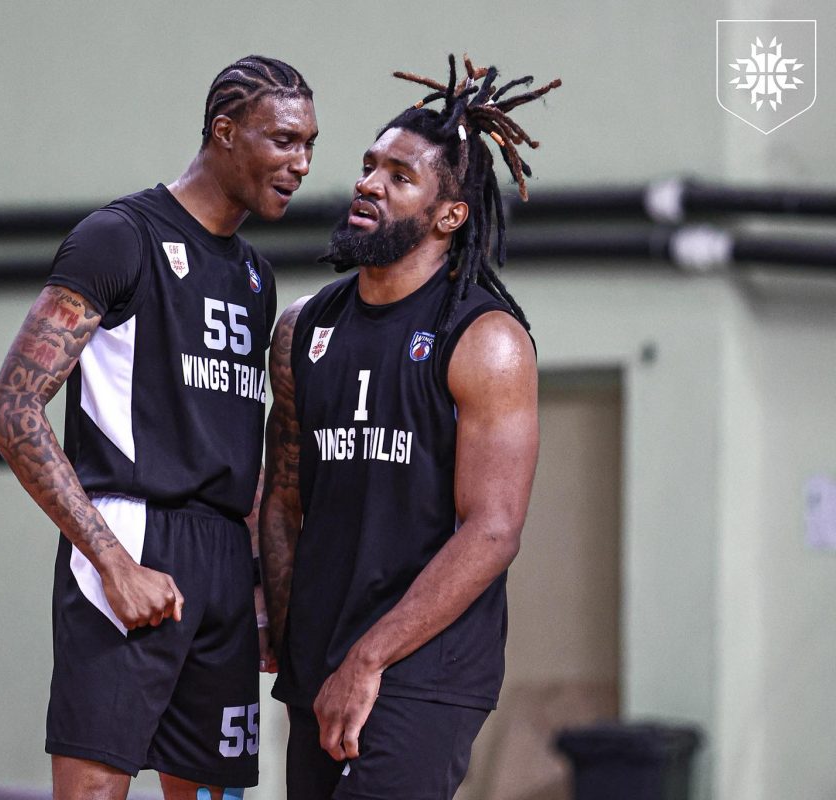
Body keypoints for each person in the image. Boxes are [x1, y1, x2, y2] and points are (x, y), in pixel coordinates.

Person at [0, 56, 317, 800]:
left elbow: (239, 444)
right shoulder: (120, 236)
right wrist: (111, 561)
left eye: (309, 145)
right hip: (131, 536)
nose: (301, 164)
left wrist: (259, 589)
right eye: (283, 141)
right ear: (224, 132)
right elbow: (12, 411)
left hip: (224, 561)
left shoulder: (256, 278)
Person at [259, 55, 560, 799]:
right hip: (319, 655)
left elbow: (492, 531)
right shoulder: (302, 328)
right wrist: (279, 621)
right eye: (369, 166)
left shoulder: (486, 341)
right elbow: (285, 498)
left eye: (400, 176)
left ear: (449, 215)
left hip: (424, 666)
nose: (369, 184)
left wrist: (370, 659)